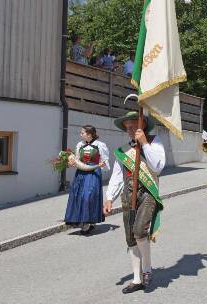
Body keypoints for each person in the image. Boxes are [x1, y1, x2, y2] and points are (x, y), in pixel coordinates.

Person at [104, 111, 165, 294]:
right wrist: (109, 198)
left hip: (147, 194)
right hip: (127, 195)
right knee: (130, 238)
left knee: (139, 232)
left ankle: (147, 269)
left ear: (143, 125)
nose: (130, 130)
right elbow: (117, 176)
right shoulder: (123, 150)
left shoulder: (155, 142)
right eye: (128, 127)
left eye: (134, 126)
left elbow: (158, 166)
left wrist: (145, 143)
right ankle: (136, 278)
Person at [64, 125, 109, 234]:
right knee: (78, 195)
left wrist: (101, 165)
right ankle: (84, 222)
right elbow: (77, 159)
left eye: (82, 133)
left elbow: (105, 162)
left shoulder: (100, 145)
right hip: (81, 174)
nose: (80, 135)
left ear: (89, 134)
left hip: (93, 174)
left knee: (88, 196)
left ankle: (88, 222)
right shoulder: (80, 145)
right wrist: (73, 162)